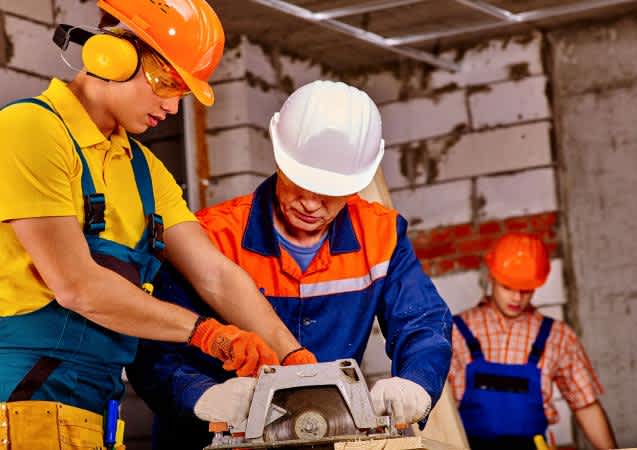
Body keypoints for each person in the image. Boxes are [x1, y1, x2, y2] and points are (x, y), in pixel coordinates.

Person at [0, 1, 310, 448]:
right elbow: (76, 286)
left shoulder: (145, 170)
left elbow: (216, 275)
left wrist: (292, 356)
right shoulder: (30, 129)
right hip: (18, 404)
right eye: (165, 82)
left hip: (95, 413)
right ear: (110, 56)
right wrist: (205, 332)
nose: (171, 106)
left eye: (182, 92)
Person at [127, 80, 453, 449]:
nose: (311, 204)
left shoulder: (381, 237)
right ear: (280, 159)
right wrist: (201, 396)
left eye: (329, 192)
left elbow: (423, 323)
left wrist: (416, 382)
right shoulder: (210, 238)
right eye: (300, 183)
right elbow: (152, 345)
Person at [449, 232, 617, 450]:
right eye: (508, 287)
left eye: (526, 290)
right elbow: (437, 408)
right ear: (492, 277)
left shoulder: (558, 336)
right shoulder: (455, 332)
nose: (517, 298)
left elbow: (586, 406)